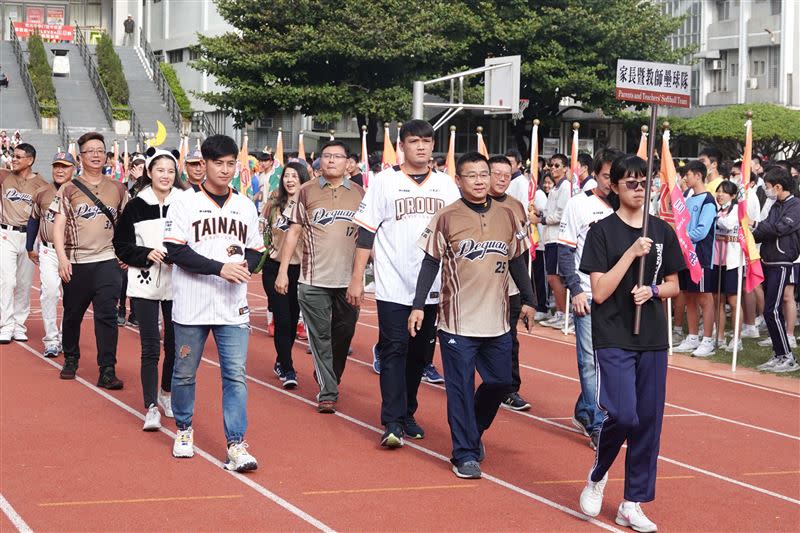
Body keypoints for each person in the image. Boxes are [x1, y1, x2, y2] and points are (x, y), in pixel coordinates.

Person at [409, 151, 535, 479]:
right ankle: (464, 453)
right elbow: (430, 262)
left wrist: (530, 300)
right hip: (457, 322)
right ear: (459, 180)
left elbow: (518, 261)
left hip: (497, 319)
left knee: (500, 382)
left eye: (484, 174)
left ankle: (473, 430)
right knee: (461, 388)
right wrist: (418, 305)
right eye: (472, 175)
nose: (480, 181)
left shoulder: (508, 216)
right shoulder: (446, 216)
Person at [577, 155, 683, 532]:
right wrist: (631, 254)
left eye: (644, 183)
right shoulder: (602, 232)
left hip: (652, 336)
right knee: (623, 414)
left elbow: (674, 284)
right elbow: (601, 291)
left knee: (648, 423)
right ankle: (599, 471)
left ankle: (632, 502)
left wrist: (653, 290)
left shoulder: (662, 231)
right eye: (631, 183)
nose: (639, 190)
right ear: (615, 188)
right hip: (614, 333)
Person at [348, 119, 460, 446]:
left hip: (433, 286)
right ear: (403, 145)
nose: (421, 147)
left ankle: (409, 411)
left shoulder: (446, 185)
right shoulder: (384, 182)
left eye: (427, 141)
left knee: (419, 356)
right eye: (414, 141)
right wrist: (357, 279)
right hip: (393, 284)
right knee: (394, 350)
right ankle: (393, 421)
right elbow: (366, 231)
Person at [163, 134, 264, 470]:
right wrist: (221, 268)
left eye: (230, 163)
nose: (225, 170)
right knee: (185, 372)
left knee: (235, 375)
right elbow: (176, 251)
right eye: (218, 163)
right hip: (192, 304)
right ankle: (184, 429)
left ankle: (236, 443)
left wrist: (244, 264)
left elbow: (257, 250)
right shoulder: (184, 202)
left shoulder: (245, 205)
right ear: (202, 165)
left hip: (232, 306)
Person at [275, 140, 364, 414]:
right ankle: (328, 391)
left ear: (348, 162)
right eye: (327, 156)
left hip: (348, 280)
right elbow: (293, 231)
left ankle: (329, 375)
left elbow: (369, 237)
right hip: (313, 279)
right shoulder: (306, 191)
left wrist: (362, 276)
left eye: (338, 157)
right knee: (319, 335)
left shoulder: (361, 194)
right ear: (319, 161)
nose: (332, 161)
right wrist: (283, 271)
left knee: (344, 333)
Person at [113, 148, 182, 431]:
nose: (165, 176)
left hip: (178, 283)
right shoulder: (136, 205)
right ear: (150, 172)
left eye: (170, 171)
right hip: (144, 283)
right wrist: (146, 254)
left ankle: (166, 393)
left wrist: (177, 256)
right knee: (150, 347)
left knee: (176, 345)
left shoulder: (185, 202)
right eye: (160, 170)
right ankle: (150, 406)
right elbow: (121, 245)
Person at [52, 132, 128, 387]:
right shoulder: (69, 188)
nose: (96, 155)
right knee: (73, 314)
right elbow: (58, 225)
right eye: (90, 151)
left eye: (100, 150)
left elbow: (127, 224)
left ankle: (107, 369)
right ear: (80, 156)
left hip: (107, 261)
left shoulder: (118, 187)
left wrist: (126, 253)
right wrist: (62, 258)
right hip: (77, 262)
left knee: (107, 316)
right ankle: (71, 357)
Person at [557, 148, 621, 449]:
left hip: (620, 296)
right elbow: (565, 251)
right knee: (589, 361)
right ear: (595, 174)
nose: (613, 182)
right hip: (589, 293)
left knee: (615, 360)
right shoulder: (578, 205)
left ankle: (585, 409)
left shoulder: (629, 205)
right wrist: (576, 290)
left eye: (618, 176)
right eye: (608, 176)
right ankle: (597, 422)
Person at [258, 162, 310, 389]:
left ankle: (281, 359)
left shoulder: (311, 206)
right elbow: (261, 233)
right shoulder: (272, 206)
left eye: (294, 176)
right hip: (274, 267)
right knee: (283, 318)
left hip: (299, 269)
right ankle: (288, 367)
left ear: (302, 179)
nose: (290, 180)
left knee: (292, 317)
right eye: (286, 176)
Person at [487, 155, 534, 412]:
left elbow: (521, 252)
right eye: (497, 173)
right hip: (481, 286)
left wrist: (529, 295)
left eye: (508, 174)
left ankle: (509, 388)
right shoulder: (475, 203)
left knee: (510, 337)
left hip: (510, 285)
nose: (503, 178)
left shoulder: (516, 206)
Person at [25, 152, 76, 357]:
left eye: (65, 166)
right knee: (50, 294)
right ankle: (51, 340)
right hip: (48, 250)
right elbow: (33, 220)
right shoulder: (42, 192)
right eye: (57, 166)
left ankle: (65, 337)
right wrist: (30, 246)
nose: (60, 170)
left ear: (74, 168)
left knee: (71, 297)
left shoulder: (79, 191)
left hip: (73, 251)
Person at [752, 166, 800, 373]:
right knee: (769, 311)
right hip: (769, 261)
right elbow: (766, 229)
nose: (767, 191)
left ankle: (787, 357)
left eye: (769, 187)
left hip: (782, 262)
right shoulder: (775, 205)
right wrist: (750, 233)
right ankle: (779, 353)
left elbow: (779, 228)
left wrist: (756, 225)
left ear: (779, 187)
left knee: (772, 309)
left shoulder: (795, 206)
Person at [0, 143, 49, 344]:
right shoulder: (3, 176)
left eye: (19, 157)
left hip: (29, 238)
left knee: (24, 283)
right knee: (7, 281)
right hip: (5, 234)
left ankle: (19, 325)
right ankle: (5, 325)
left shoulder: (41, 184)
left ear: (30, 160)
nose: (14, 159)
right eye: (13, 156)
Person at [672, 160, 717, 357]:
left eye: (687, 175)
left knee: (704, 297)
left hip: (700, 255)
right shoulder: (688, 199)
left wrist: (682, 237)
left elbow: (702, 231)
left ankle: (708, 339)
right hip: (685, 254)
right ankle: (692, 337)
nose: (685, 178)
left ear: (698, 175)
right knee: (689, 296)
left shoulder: (708, 200)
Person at [712, 180, 745, 352]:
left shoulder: (737, 210)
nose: (720, 195)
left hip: (733, 261)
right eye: (718, 191)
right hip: (717, 260)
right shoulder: (717, 210)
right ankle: (720, 336)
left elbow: (729, 225)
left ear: (733, 196)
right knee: (718, 299)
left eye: (724, 192)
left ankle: (737, 338)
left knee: (733, 300)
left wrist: (714, 217)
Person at [540, 154, 571, 329]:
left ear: (566, 168)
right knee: (552, 277)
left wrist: (543, 220)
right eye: (551, 165)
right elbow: (549, 211)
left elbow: (561, 214)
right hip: (550, 238)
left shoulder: (565, 187)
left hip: (558, 237)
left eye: (557, 165)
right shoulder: (554, 189)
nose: (553, 168)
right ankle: (559, 312)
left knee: (555, 277)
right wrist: (540, 215)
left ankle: (565, 313)